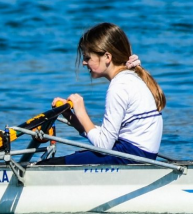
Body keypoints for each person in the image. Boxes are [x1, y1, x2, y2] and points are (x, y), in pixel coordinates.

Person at [40, 23, 165, 166]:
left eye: (87, 58)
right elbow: (105, 138)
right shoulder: (131, 78)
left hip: (130, 156)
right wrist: (71, 116)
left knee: (47, 165)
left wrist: (81, 111)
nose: (84, 63)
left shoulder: (119, 86)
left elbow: (103, 145)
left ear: (107, 57)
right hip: (137, 155)